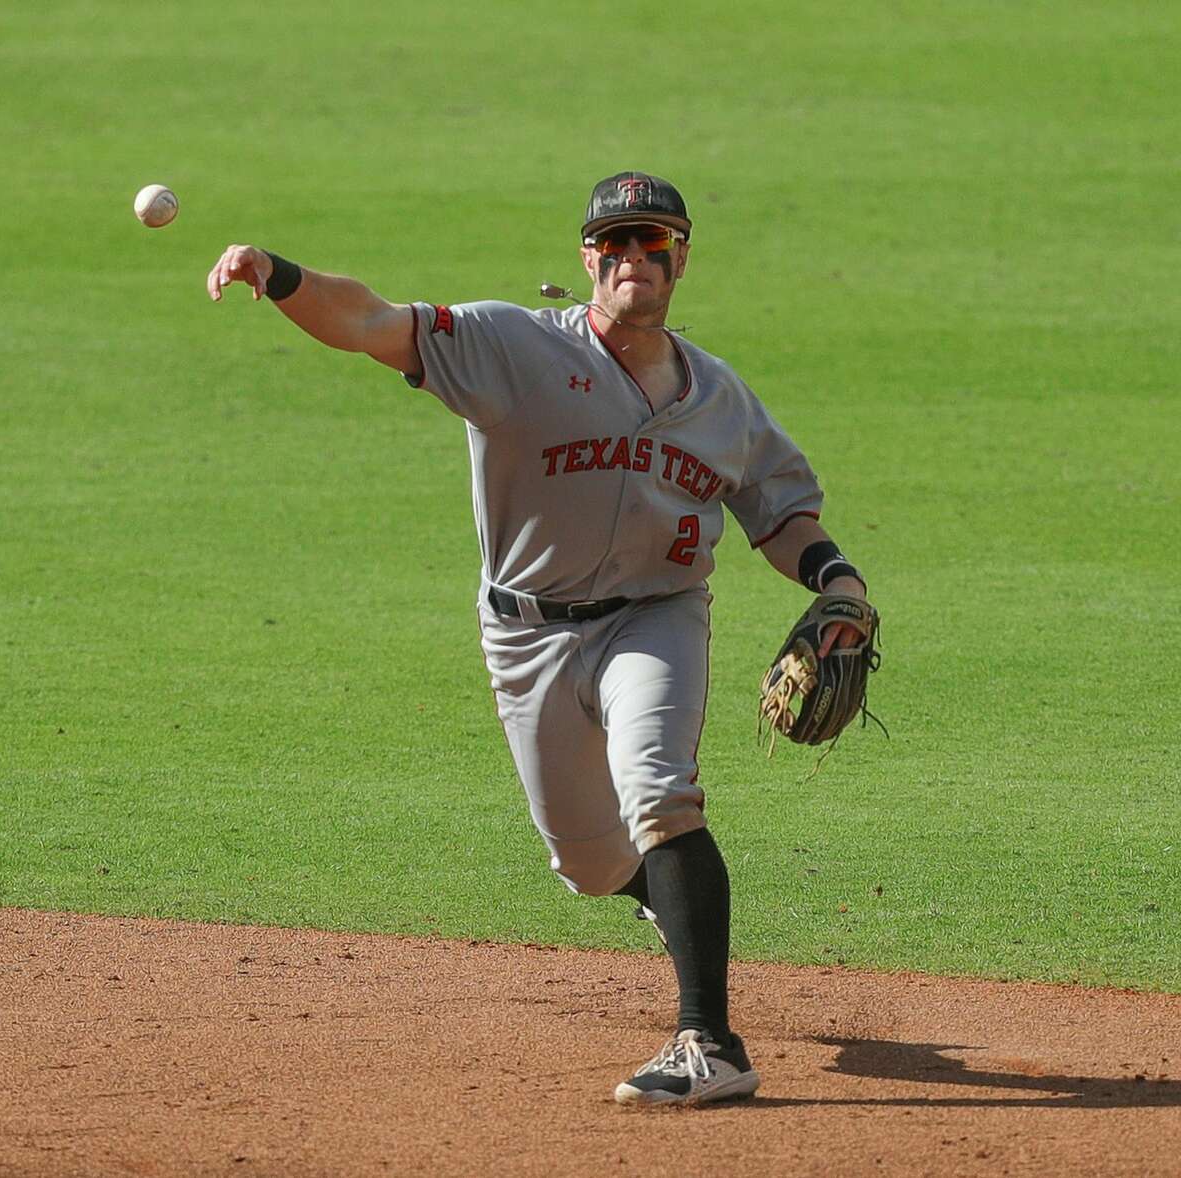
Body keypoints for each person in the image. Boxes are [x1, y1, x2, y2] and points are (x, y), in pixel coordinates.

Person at [206, 172, 871, 1105]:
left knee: (661, 791)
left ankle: (709, 1043)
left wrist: (836, 579)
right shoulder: (511, 345)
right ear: (588, 259)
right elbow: (369, 322)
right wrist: (279, 275)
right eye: (617, 243)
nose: (635, 257)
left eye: (655, 243)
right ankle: (660, 897)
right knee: (592, 863)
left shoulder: (722, 400)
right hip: (528, 638)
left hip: (657, 617)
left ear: (680, 257)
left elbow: (781, 513)